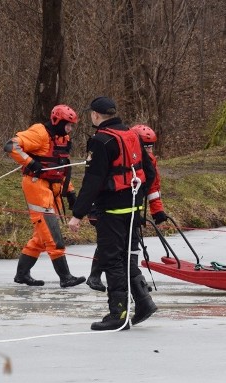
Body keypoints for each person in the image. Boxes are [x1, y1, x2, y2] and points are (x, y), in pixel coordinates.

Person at [67, 97, 157, 331]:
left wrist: (77, 213)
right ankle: (144, 302)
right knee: (127, 258)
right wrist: (138, 196)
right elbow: (149, 171)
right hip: (133, 210)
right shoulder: (132, 135)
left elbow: (93, 181)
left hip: (113, 211)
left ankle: (118, 313)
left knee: (112, 260)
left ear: (96, 115)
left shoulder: (100, 141)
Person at [4, 104, 86, 288]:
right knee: (51, 233)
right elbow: (11, 145)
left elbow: (62, 167)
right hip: (36, 185)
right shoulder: (39, 132)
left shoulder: (63, 138)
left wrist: (70, 192)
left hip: (54, 187)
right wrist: (31, 163)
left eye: (71, 125)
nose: (70, 129)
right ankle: (65, 277)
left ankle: (22, 274)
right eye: (68, 125)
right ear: (58, 121)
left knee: (41, 236)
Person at [85, 123, 169, 292]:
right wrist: (92, 209)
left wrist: (157, 211)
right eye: (145, 147)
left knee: (131, 244)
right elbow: (95, 184)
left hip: (132, 208)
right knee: (110, 243)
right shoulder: (116, 156)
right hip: (111, 207)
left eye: (151, 147)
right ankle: (95, 276)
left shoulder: (150, 161)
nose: (149, 151)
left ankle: (133, 278)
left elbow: (153, 188)